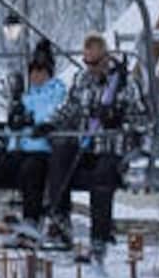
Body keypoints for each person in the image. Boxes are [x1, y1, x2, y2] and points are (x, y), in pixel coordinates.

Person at [41, 33, 144, 266]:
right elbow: (70, 108)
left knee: (102, 176)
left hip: (112, 147)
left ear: (106, 58)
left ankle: (99, 239)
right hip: (86, 145)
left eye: (95, 63)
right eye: (87, 63)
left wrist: (117, 120)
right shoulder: (81, 80)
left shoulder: (125, 84)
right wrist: (50, 124)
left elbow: (141, 122)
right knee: (59, 151)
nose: (91, 68)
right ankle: (59, 219)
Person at [0, 42, 66, 235]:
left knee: (31, 169)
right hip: (21, 149)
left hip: (44, 150)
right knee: (4, 163)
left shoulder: (57, 93)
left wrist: (37, 123)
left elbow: (56, 116)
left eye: (41, 71)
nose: (37, 75)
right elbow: (11, 130)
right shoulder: (25, 98)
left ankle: (31, 219)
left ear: (49, 73)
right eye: (34, 71)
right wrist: (13, 126)